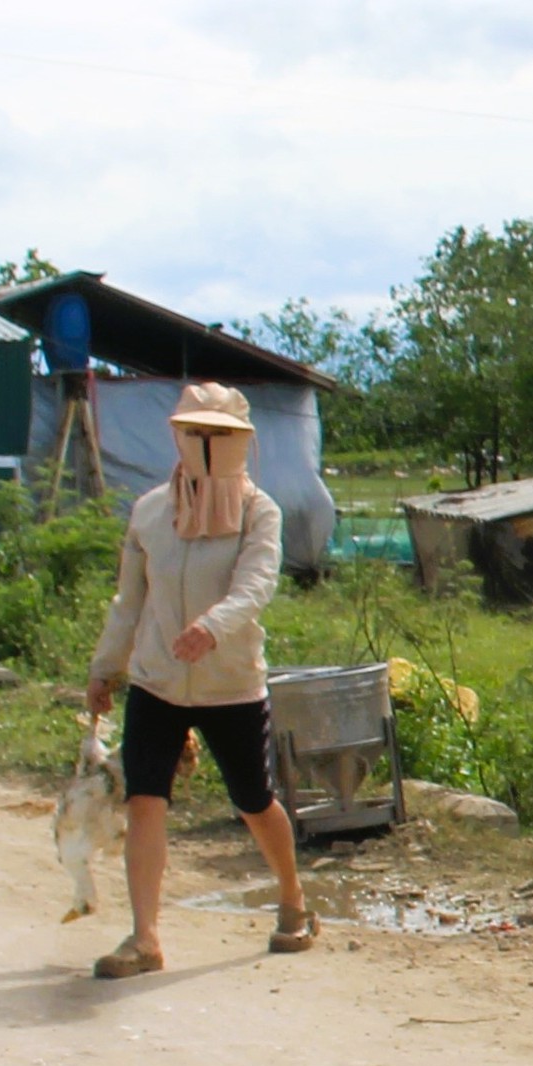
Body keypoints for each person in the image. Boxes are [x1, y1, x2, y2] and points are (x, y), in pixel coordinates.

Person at [84, 382, 315, 978]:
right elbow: (129, 602)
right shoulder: (151, 511)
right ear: (178, 436)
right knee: (144, 800)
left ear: (242, 443)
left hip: (230, 683)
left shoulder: (260, 511)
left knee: (253, 800)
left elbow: (256, 585)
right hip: (158, 680)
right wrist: (104, 668)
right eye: (196, 432)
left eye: (221, 435)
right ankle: (144, 938)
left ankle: (292, 901)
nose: (206, 444)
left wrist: (212, 628)